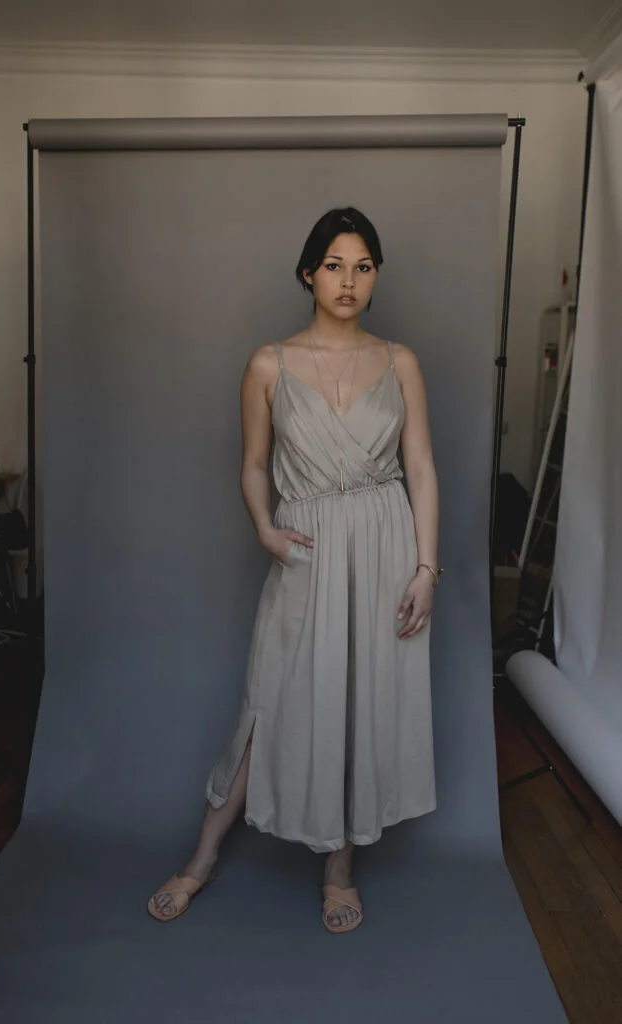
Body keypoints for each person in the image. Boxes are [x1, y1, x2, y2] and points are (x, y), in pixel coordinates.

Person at [147, 207, 440, 934]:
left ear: (376, 276)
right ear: (309, 271)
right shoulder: (268, 364)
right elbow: (251, 467)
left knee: (357, 702)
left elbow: (423, 469)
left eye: (364, 265)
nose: (349, 280)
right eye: (335, 264)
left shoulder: (399, 361)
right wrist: (266, 532)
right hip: (306, 548)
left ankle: (339, 871)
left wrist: (427, 566)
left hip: (383, 547)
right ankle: (203, 857)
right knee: (268, 702)